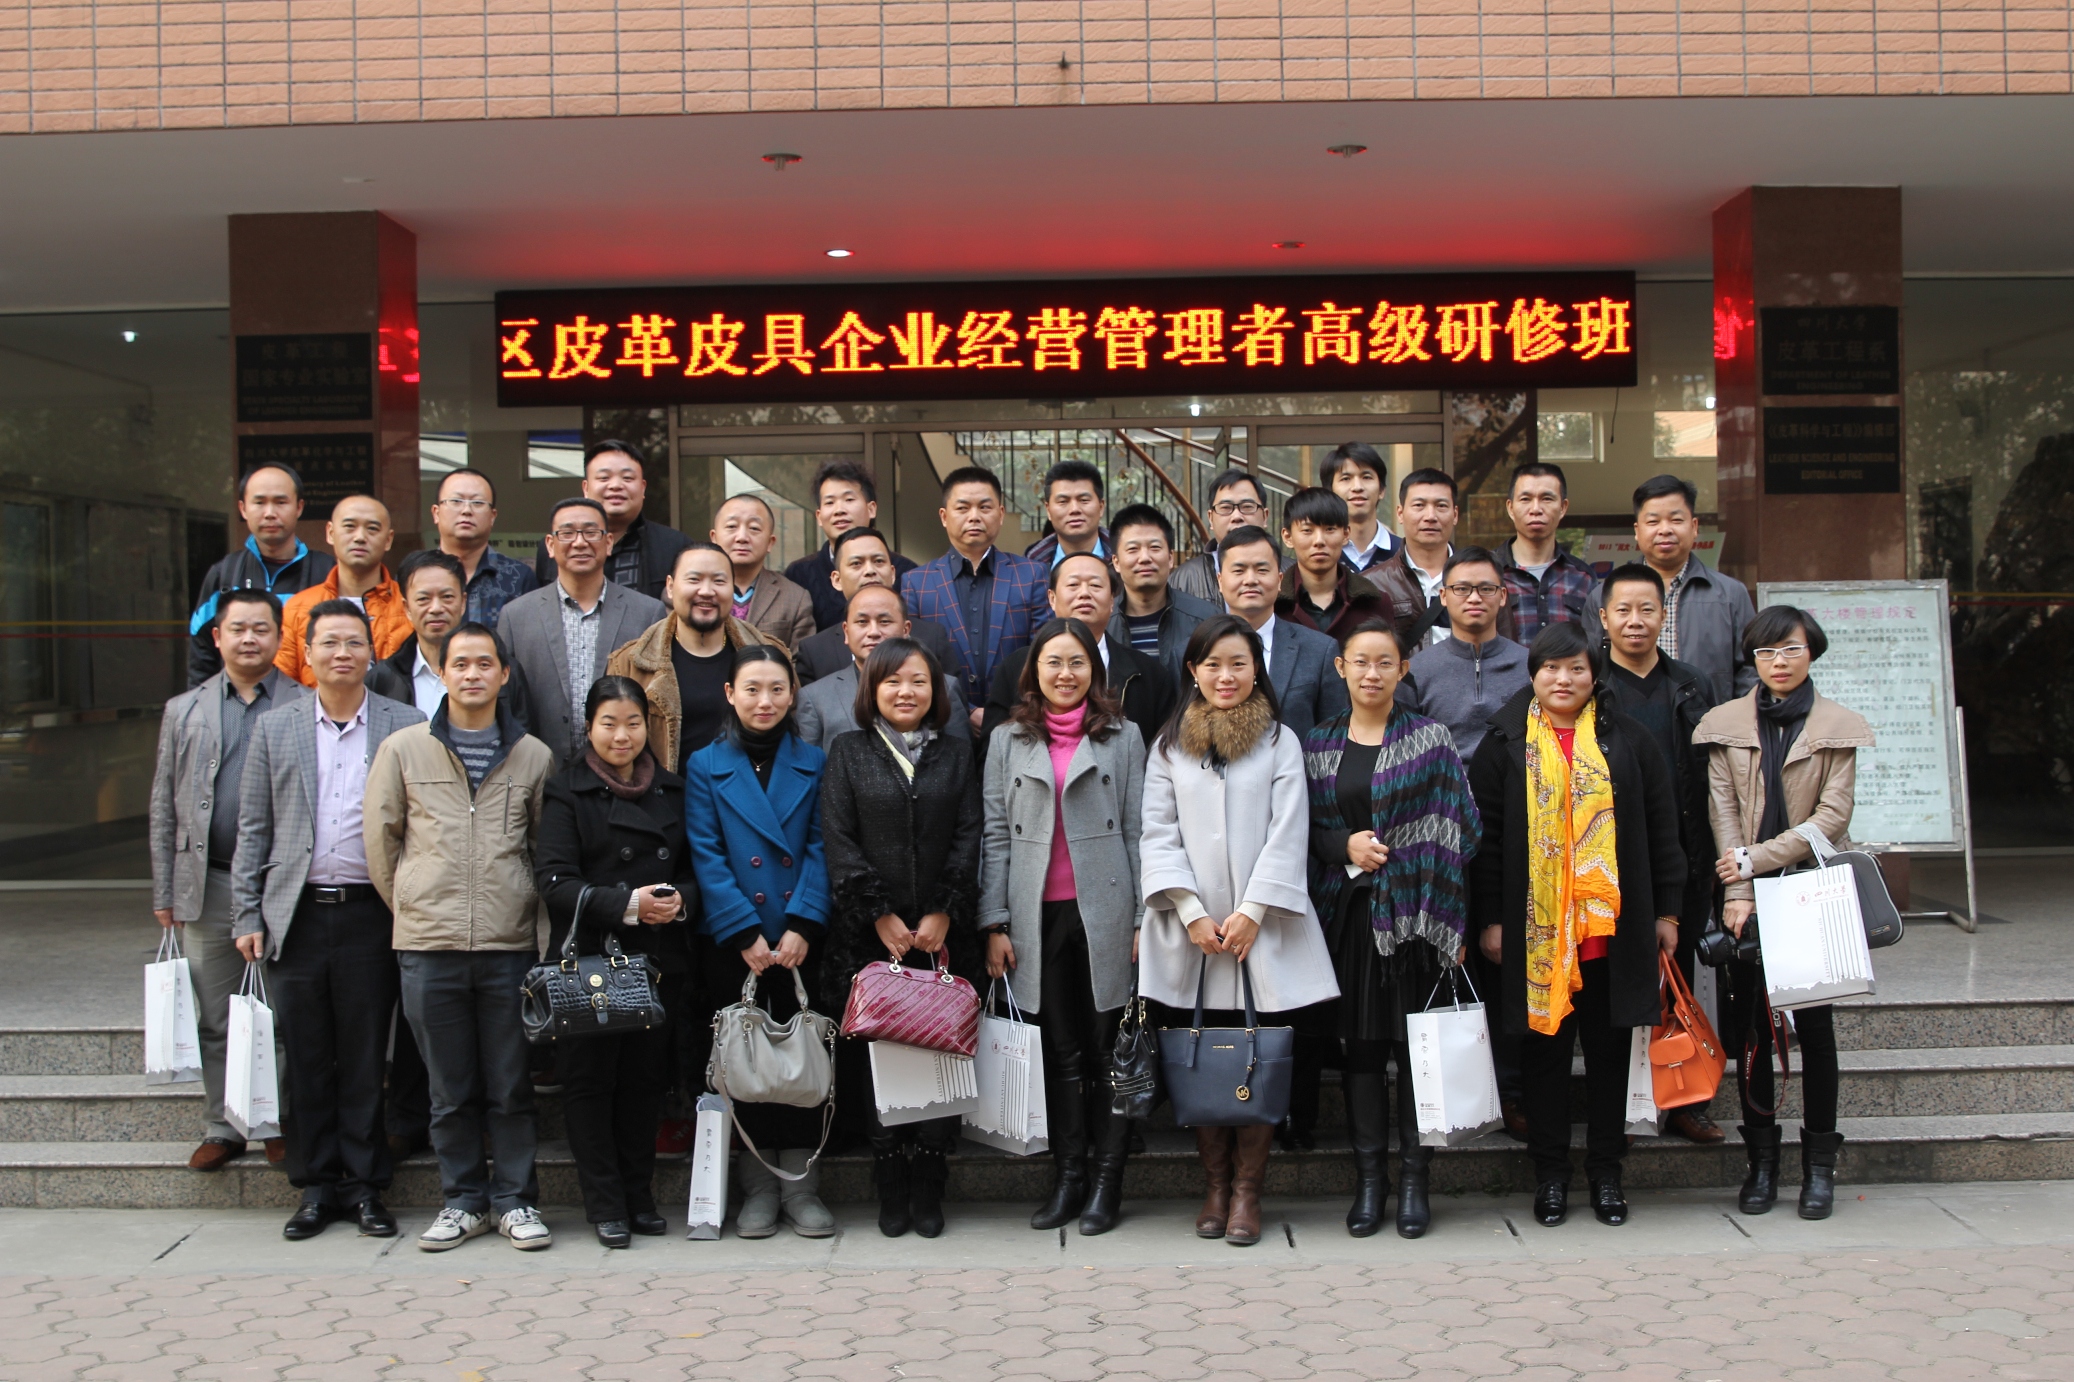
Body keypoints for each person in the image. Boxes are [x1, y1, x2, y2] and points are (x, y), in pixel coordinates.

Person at [1467, 623, 1686, 1230]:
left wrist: (1667, 912)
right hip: (1538, 937)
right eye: (1551, 669)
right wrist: (1491, 919)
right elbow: (1485, 842)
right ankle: (1551, 1177)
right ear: (1533, 675)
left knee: (1611, 1058)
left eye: (1577, 669)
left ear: (1595, 676)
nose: (1563, 680)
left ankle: (1607, 1173)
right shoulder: (1505, 743)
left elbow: (1662, 827)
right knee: (1543, 1060)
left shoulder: (1629, 740)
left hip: (1611, 934)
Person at [1137, 615, 1339, 1247]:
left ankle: (1249, 1191)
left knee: (1261, 1057)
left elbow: (1289, 829)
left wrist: (1253, 910)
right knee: (1200, 1055)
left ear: (1258, 670)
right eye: (1213, 665)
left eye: (1239, 664)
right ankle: (1216, 1186)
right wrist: (1189, 910)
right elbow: (1157, 833)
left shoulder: (1280, 741)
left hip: (1263, 930)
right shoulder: (1169, 745)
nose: (1225, 676)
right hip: (1192, 933)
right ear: (1193, 671)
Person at [230, 600, 425, 1241]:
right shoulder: (276, 727)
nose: (342, 653)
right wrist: (247, 912)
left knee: (366, 1054)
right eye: (329, 643)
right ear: (307, 654)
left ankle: (365, 1188)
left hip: (373, 912)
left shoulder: (405, 723)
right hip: (296, 915)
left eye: (354, 642)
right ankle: (315, 1187)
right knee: (307, 1054)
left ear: (372, 652)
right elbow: (254, 827)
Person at [366, 622, 558, 1253]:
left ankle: (515, 1200)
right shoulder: (403, 749)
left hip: (508, 946)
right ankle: (463, 1201)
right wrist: (414, 904)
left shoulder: (533, 756)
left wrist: (530, 923)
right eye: (460, 664)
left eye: (484, 663)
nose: (472, 674)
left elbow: (542, 849)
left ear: (504, 674)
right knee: (448, 1090)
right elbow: (382, 841)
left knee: (510, 1085)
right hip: (428, 946)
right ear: (442, 674)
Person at [1692, 606, 1873, 1221]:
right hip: (1746, 898)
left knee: (1815, 1033)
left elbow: (1831, 819)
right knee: (1751, 1034)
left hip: (1810, 891)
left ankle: (1819, 1169)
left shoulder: (1836, 727)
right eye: (1767, 652)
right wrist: (1738, 889)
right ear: (1753, 659)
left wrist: (1755, 859)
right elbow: (1722, 811)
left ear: (1811, 652)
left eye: (1791, 649)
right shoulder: (1726, 725)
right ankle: (1761, 1165)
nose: (1779, 662)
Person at [1304, 619, 1480, 1239]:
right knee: (1361, 1052)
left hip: (1420, 922)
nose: (1372, 673)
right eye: (1361, 661)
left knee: (1413, 1054)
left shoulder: (1430, 739)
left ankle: (1413, 1181)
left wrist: (1452, 918)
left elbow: (1460, 828)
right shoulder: (1318, 744)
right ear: (1341, 668)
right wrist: (1343, 846)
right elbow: (1299, 830)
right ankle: (1369, 1182)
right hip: (1351, 919)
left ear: (1404, 669)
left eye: (1385, 662)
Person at [980, 617, 1146, 1236]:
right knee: (1060, 1051)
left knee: (1107, 1050)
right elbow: (996, 833)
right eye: (1053, 662)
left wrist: (1142, 919)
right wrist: (993, 920)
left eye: (1077, 662)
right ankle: (1068, 1176)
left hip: (1105, 910)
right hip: (1034, 914)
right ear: (1035, 671)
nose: (1066, 674)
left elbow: (1138, 831)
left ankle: (1107, 1182)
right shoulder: (1008, 739)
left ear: (1093, 671)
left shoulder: (1124, 736)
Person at [818, 637, 986, 1239]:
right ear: (872, 689)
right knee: (878, 1063)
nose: (905, 692)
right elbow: (838, 839)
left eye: (918, 681)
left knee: (940, 1055)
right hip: (871, 943)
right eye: (892, 681)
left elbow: (970, 835)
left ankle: (930, 1179)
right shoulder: (848, 751)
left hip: (942, 941)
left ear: (935, 690)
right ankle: (890, 1178)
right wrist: (878, 915)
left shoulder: (956, 754)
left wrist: (943, 911)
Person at [534, 675, 697, 1248]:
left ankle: (638, 1195)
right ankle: (605, 1203)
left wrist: (679, 902)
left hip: (658, 961)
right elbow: (553, 880)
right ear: (589, 727)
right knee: (590, 1084)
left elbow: (696, 868)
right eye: (609, 723)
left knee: (644, 1083)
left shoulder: (673, 790)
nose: (621, 735)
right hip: (592, 964)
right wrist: (627, 906)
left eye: (632, 723)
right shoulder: (566, 791)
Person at [682, 644, 837, 1239]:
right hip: (736, 941)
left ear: (793, 695)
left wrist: (803, 923)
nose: (764, 701)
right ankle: (757, 1187)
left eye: (776, 689)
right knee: (743, 1064)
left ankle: (802, 1187)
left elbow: (823, 845)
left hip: (800, 937)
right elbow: (706, 851)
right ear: (730, 694)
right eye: (751, 689)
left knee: (800, 1062)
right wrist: (744, 929)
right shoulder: (705, 764)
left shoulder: (815, 761)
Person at [150, 588, 305, 1172]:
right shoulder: (183, 709)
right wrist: (165, 889)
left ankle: (275, 1120)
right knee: (215, 1014)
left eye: (261, 628)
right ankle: (224, 1124)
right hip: (207, 883)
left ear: (279, 637)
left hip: (280, 884)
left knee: (278, 1014)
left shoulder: (303, 702)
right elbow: (164, 804)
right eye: (237, 628)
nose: (249, 638)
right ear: (217, 637)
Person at [1597, 562, 1722, 1145]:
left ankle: (1685, 1101)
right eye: (1623, 610)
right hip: (1606, 862)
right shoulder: (1587, 683)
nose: (1635, 620)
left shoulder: (1693, 686)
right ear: (1603, 618)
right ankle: (1621, 1106)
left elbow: (1715, 777)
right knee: (1612, 987)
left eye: (1647, 609)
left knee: (1678, 979)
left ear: (1663, 615)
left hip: (1682, 856)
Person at [498, 497, 668, 765]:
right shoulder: (515, 616)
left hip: (622, 769)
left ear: (608, 542)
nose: (579, 542)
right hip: (539, 768)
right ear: (550, 545)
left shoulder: (647, 613)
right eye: (567, 533)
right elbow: (506, 700)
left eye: (591, 532)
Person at [901, 466, 1050, 732]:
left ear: (1001, 514)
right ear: (944, 516)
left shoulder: (1032, 575)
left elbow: (1043, 653)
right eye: (963, 508)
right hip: (944, 724)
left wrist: (1007, 711)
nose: (974, 517)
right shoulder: (916, 582)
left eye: (984, 507)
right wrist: (965, 710)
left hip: (1019, 722)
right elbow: (913, 660)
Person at [1585, 474, 1757, 702]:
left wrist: (1733, 718)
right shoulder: (1603, 595)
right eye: (1653, 522)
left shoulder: (1730, 594)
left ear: (1694, 527)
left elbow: (1750, 670)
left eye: (1676, 520)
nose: (1665, 530)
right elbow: (1588, 666)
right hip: (1624, 719)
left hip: (1709, 719)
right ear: (1637, 530)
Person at [603, 542, 771, 773]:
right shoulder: (629, 663)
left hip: (748, 793)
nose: (706, 591)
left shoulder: (768, 656)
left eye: (719, 581)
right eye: (694, 579)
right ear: (670, 587)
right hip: (663, 793)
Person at [982, 552, 1175, 751]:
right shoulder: (1016, 667)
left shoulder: (1149, 674)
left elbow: (1162, 754)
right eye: (1073, 585)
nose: (1084, 593)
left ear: (1112, 600)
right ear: (1052, 598)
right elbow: (992, 753)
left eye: (1095, 585)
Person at [188, 464, 335, 687]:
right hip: (237, 702)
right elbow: (201, 655)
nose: (270, 513)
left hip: (311, 703)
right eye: (259, 502)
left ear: (299, 507)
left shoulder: (327, 572)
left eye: (281, 502)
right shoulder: (224, 574)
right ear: (243, 508)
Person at [369, 549, 536, 731]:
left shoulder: (502, 672)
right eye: (423, 599)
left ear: (463, 602)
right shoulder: (383, 679)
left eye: (447, 597)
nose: (436, 608)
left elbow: (523, 739)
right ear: (406, 608)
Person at [797, 583, 970, 748]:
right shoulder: (815, 697)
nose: (873, 632)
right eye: (862, 622)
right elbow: (809, 766)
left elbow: (961, 759)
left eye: (885, 621)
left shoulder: (944, 688)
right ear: (846, 631)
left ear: (906, 630)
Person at [1215, 526, 1347, 740]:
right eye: (1239, 571)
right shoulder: (1192, 652)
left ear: (1279, 580)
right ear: (1220, 581)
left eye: (1262, 570)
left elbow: (1334, 738)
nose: (1250, 580)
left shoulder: (1320, 651)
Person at [1406, 547, 1529, 763]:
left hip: (1515, 781)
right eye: (1461, 589)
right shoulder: (1417, 670)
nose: (1474, 598)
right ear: (1443, 596)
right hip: (1440, 781)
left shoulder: (1530, 666)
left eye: (1486, 589)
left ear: (1502, 596)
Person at [533, 439, 694, 602]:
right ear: (586, 488)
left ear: (642, 488)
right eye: (604, 478)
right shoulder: (558, 545)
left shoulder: (676, 546)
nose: (616, 485)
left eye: (627, 478)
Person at [274, 495, 411, 686]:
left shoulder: (410, 605)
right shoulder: (297, 608)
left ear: (388, 540)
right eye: (349, 526)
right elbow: (282, 684)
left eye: (372, 529)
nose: (360, 537)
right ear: (330, 533)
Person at [792, 527, 953, 683]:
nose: (870, 570)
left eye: (878, 561)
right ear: (837, 579)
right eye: (856, 563)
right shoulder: (815, 651)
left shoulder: (932, 639)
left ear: (893, 573)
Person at [784, 461, 918, 632]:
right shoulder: (798, 575)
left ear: (871, 509)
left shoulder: (908, 574)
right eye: (830, 502)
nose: (839, 510)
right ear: (819, 516)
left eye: (849, 499)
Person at [1367, 469, 1486, 651]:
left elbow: (1503, 647)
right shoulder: (1373, 584)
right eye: (1419, 505)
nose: (1430, 516)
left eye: (1441, 506)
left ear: (1455, 514)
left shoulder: (1484, 579)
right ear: (1400, 513)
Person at [1107, 503, 1217, 686]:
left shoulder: (1205, 619)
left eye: (1155, 547)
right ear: (1116, 562)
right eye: (1133, 549)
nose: (1144, 558)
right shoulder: (1103, 623)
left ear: (1170, 558)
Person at [1493, 462, 1598, 646]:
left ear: (1563, 507)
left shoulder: (1583, 577)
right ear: (1510, 508)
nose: (1536, 509)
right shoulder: (1488, 572)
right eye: (1525, 499)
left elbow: (1594, 646)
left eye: (1547, 499)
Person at [1276, 487, 1391, 643]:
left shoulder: (1375, 602)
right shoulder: (1272, 603)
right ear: (1288, 537)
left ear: (1345, 534)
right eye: (1307, 530)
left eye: (1330, 529)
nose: (1319, 541)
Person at [428, 466, 538, 626]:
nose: (466, 510)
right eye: (456, 501)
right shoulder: (417, 575)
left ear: (492, 516)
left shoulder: (519, 577)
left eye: (477, 502)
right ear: (436, 513)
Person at [713, 493, 817, 649]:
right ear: (714, 538)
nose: (742, 537)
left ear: (770, 542)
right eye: (732, 526)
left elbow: (802, 660)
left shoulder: (795, 598)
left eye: (754, 528)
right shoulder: (694, 591)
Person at [1171, 469, 1270, 604]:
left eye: (1247, 507)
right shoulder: (1183, 579)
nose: (1236, 516)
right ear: (1211, 518)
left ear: (1265, 516)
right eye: (1226, 508)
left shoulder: (1290, 573)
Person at [1321, 442, 1399, 572]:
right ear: (1330, 491)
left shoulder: (1405, 554)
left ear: (1382, 490)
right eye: (1346, 479)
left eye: (1366, 477)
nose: (1357, 487)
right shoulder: (1319, 552)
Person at [1023, 459, 1111, 567]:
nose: (1074, 509)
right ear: (1048, 510)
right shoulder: (1031, 565)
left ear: (1101, 507)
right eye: (1063, 501)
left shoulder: (1124, 557)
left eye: (1084, 500)